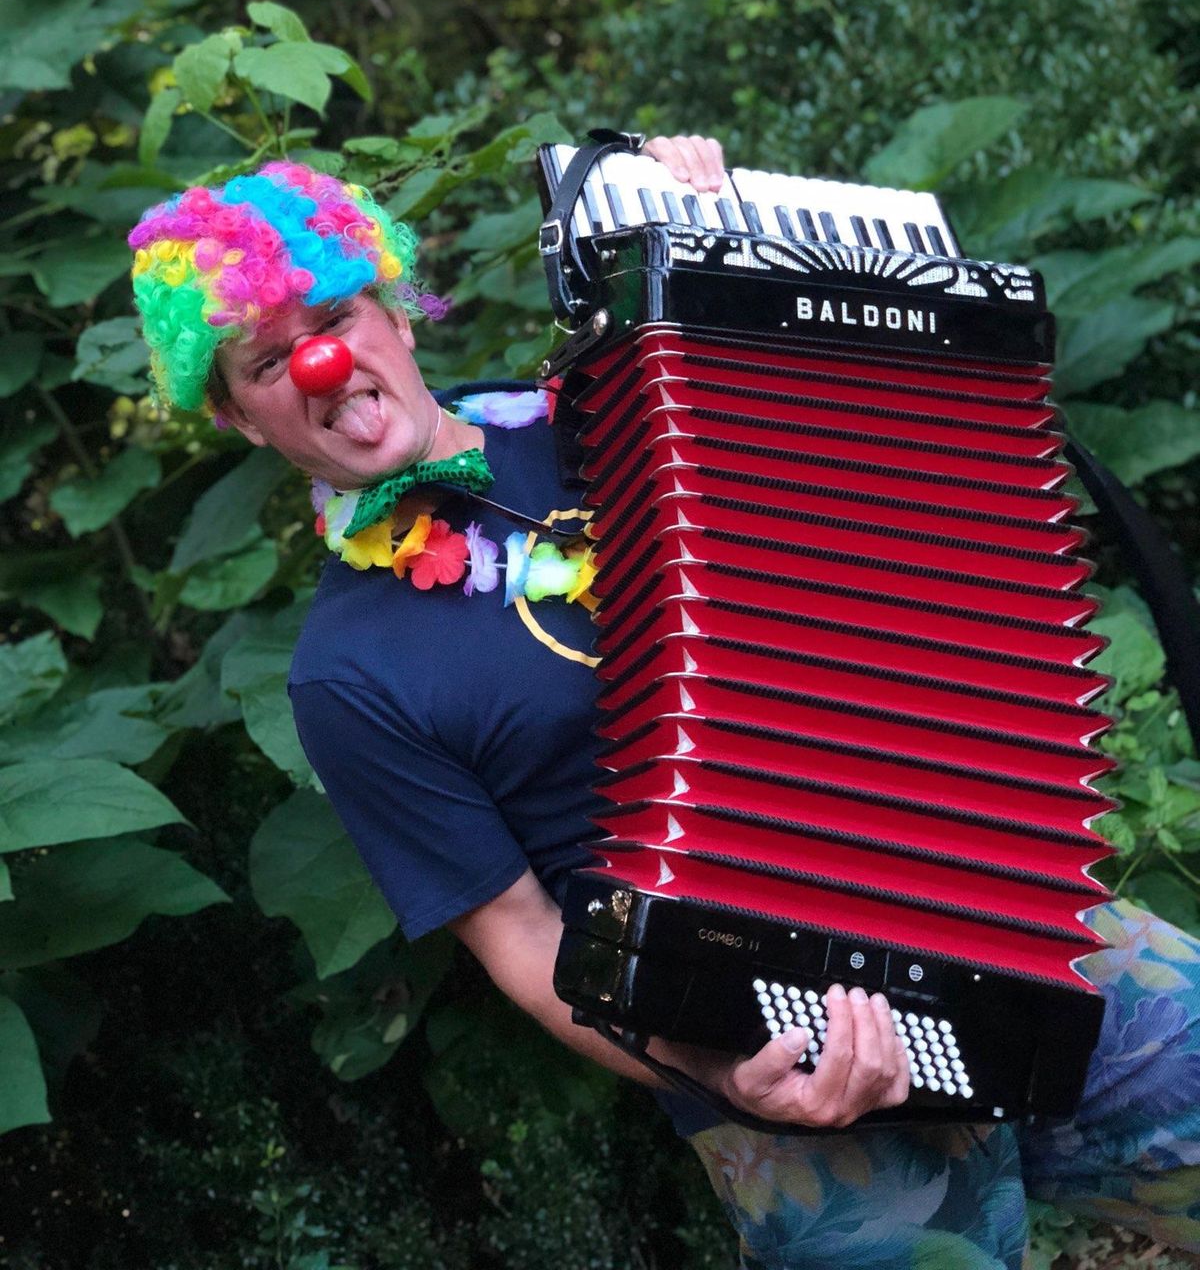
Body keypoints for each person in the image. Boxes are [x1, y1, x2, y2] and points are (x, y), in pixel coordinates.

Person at [128, 143, 1200, 1268]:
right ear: (242, 418)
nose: (320, 363)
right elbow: (527, 942)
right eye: (268, 361)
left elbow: (852, 413)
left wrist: (707, 213)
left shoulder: (618, 401)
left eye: (339, 313)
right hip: (761, 1058)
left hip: (994, 903)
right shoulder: (344, 677)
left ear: (395, 311)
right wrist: (724, 1080)